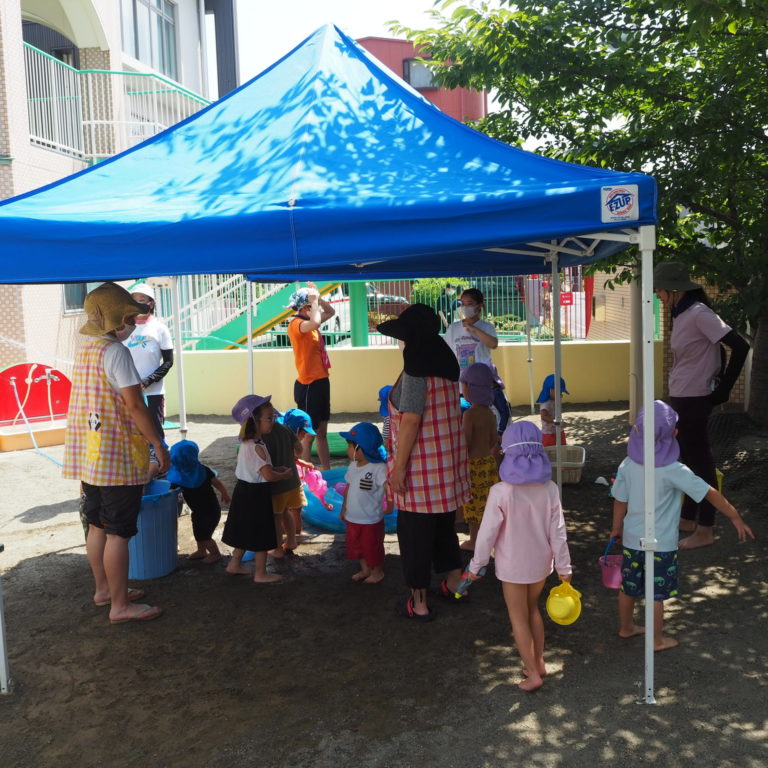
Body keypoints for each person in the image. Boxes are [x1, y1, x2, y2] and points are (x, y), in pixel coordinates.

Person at [63, 282, 169, 624]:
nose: (132, 323)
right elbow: (136, 406)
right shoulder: (116, 352)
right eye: (129, 317)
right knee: (118, 532)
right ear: (116, 319)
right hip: (116, 455)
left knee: (97, 525)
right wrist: (157, 444)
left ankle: (104, 591)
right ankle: (120, 606)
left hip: (91, 454)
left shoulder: (86, 349)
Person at [609, 400, 754, 650]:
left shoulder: (628, 464)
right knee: (656, 594)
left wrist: (616, 528)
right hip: (662, 544)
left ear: (636, 431)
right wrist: (734, 516)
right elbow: (710, 493)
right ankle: (656, 640)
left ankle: (626, 627)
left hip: (632, 539)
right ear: (675, 433)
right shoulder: (675, 470)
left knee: (628, 587)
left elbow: (620, 500)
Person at [377, 303, 471, 621]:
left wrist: (399, 468)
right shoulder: (447, 364)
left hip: (420, 472)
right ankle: (455, 583)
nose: (400, 343)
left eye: (402, 337)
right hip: (447, 468)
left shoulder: (416, 372)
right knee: (444, 529)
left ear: (413, 339)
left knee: (415, 538)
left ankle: (418, 603)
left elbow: (411, 421)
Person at [467, 421, 572, 692]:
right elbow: (558, 531)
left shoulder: (500, 491)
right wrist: (564, 566)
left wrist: (476, 566)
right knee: (532, 609)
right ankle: (538, 663)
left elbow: (486, 534)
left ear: (507, 452)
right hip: (540, 564)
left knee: (518, 617)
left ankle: (533, 674)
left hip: (513, 566)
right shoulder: (550, 488)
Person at [654, 262, 750, 550]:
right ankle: (687, 518)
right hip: (683, 396)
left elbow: (740, 346)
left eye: (660, 290)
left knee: (701, 465)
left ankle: (706, 529)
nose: (658, 296)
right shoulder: (681, 314)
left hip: (694, 399)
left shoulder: (699, 313)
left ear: (674, 290)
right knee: (685, 458)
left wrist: (723, 390)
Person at [224, 395, 293, 582]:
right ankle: (261, 573)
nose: (273, 421)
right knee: (261, 532)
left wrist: (276, 469)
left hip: (243, 491)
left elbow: (261, 469)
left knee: (245, 529)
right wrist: (283, 475)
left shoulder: (248, 443)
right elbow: (268, 476)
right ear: (254, 421)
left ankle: (234, 564)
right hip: (256, 494)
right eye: (269, 418)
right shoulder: (257, 447)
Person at [286, 281, 335, 470]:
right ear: (305, 308)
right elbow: (315, 322)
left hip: (321, 381)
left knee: (321, 432)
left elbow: (330, 312)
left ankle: (326, 470)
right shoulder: (296, 324)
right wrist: (314, 302)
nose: (314, 309)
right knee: (308, 435)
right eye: (310, 306)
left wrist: (318, 298)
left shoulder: (310, 323)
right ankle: (306, 472)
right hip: (308, 385)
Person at [339, 422, 389, 584]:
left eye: (350, 445)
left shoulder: (378, 468)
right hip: (353, 517)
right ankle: (366, 569)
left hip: (371, 520)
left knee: (372, 547)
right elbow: (348, 488)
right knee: (357, 547)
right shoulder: (353, 466)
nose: (347, 449)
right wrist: (344, 508)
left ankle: (377, 572)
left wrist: (390, 505)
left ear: (361, 448)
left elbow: (388, 487)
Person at [123, 283, 173, 441]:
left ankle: (158, 456)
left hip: (153, 392)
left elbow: (168, 362)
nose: (137, 304)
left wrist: (148, 381)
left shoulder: (160, 328)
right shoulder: (123, 328)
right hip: (127, 390)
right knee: (131, 432)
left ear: (151, 304)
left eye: (142, 300)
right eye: (134, 300)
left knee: (155, 432)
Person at [458, 363, 500, 551]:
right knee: (487, 504)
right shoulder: (490, 414)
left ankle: (475, 541)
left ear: (470, 388)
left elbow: (466, 443)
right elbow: (493, 440)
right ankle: (489, 539)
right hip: (488, 463)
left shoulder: (469, 415)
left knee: (474, 506)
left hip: (473, 467)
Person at [168, 440, 230, 564]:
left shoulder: (180, 477)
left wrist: (225, 493)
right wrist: (224, 493)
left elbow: (170, 491)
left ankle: (215, 554)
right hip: (200, 511)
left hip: (210, 512)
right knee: (198, 532)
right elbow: (217, 483)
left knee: (204, 536)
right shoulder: (202, 470)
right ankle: (201, 551)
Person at [263, 408, 306, 556]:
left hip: (277, 483)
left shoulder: (262, 435)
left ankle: (278, 549)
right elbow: (299, 450)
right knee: (286, 511)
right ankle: (291, 541)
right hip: (293, 481)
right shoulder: (286, 429)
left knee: (276, 516)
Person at [444, 287, 498, 370]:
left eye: (469, 304)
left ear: (479, 306)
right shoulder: (453, 328)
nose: (465, 307)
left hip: (481, 375)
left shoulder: (487, 326)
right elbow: (445, 352)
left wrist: (475, 330)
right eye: (463, 303)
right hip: (460, 376)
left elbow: (493, 344)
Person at [537, 374, 569, 447]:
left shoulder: (555, 401)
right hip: (549, 433)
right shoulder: (546, 403)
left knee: (562, 447)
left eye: (561, 392)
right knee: (549, 449)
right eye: (558, 391)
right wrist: (556, 422)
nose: (560, 394)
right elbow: (544, 416)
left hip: (559, 430)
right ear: (550, 390)